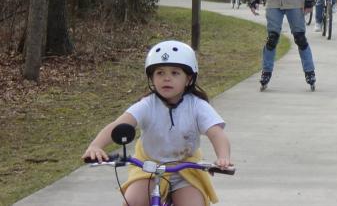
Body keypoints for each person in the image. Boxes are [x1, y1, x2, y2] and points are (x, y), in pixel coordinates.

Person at [82, 40, 232, 206]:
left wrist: (223, 157)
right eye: (160, 73)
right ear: (152, 78)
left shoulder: (197, 106)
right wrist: (96, 146)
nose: (167, 78)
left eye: (175, 73)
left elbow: (216, 133)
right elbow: (118, 125)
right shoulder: (147, 104)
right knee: (132, 202)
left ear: (189, 79)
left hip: (185, 169)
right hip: (148, 167)